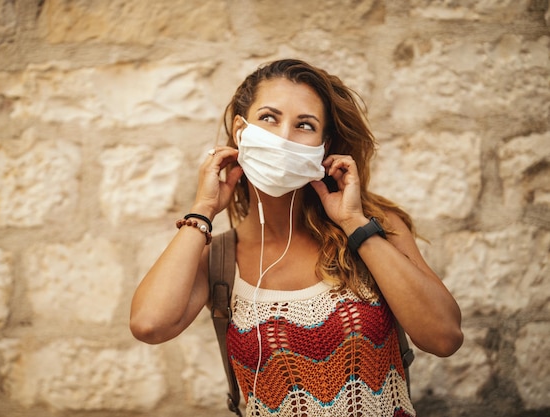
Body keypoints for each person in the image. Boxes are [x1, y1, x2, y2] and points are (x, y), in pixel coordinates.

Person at [130, 59, 463, 417]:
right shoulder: (222, 258)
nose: (284, 137)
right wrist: (204, 209)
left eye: (304, 125)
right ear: (241, 131)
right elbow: (149, 324)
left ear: (324, 146)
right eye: (269, 118)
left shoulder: (374, 226)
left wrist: (353, 223)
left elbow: (444, 337)